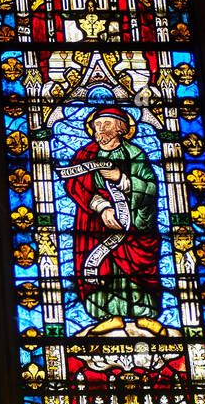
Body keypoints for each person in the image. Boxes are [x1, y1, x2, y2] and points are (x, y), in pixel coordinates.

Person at [62, 106, 161, 324]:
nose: (100, 129)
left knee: (133, 267)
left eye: (106, 124)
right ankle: (107, 315)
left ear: (120, 128)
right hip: (95, 224)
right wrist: (100, 206)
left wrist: (122, 179)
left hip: (132, 224)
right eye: (97, 124)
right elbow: (74, 185)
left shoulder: (135, 154)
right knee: (104, 266)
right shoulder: (84, 155)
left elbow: (151, 188)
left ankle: (143, 314)